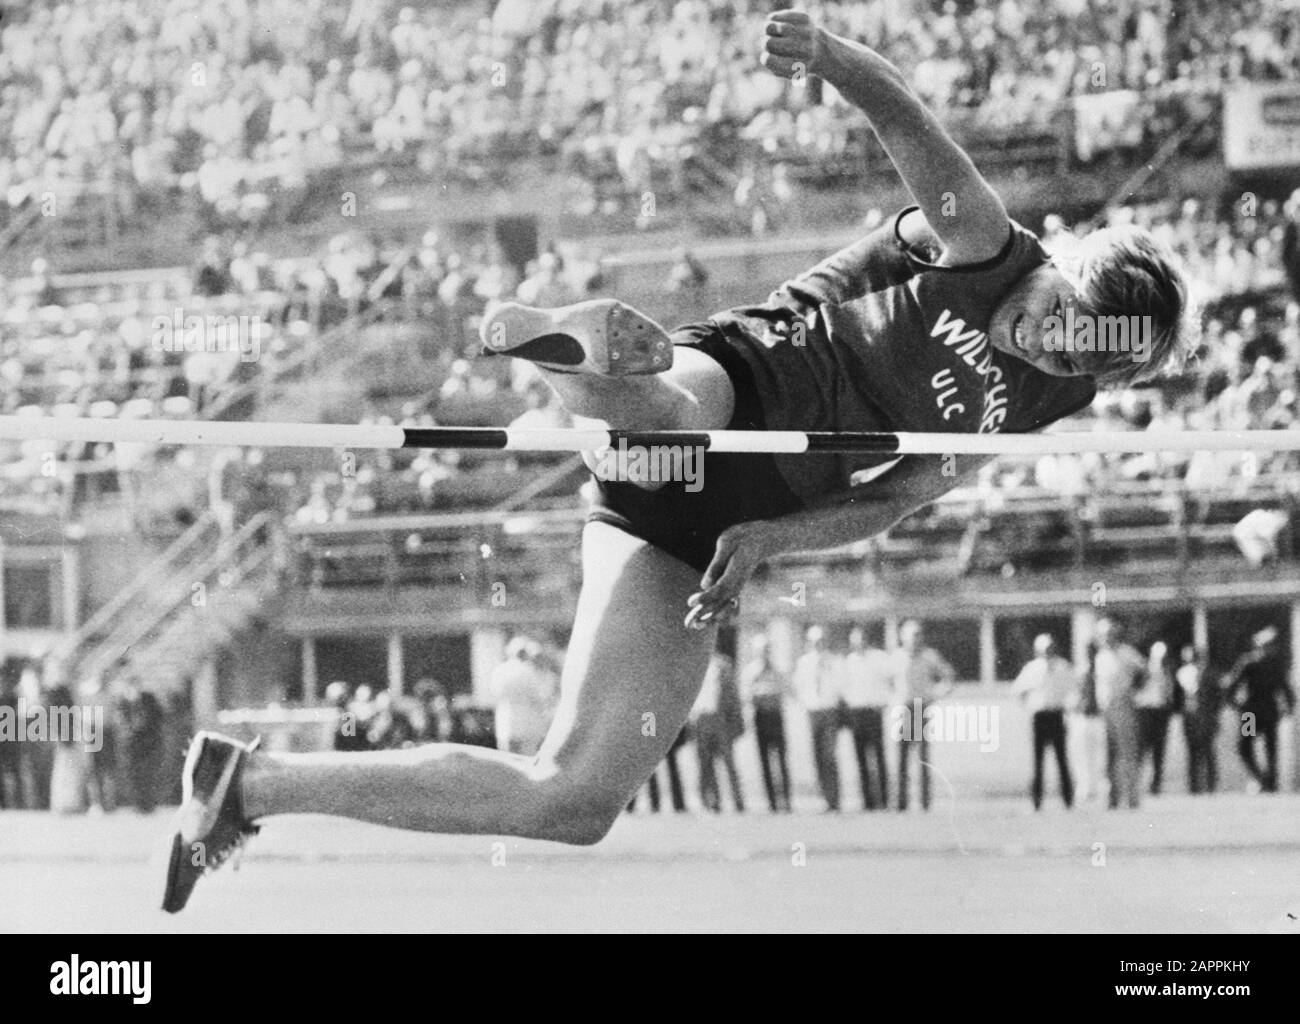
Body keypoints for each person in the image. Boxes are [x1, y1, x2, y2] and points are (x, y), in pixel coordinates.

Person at [163, 8, 1195, 912]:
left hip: (691, 532)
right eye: (1059, 321)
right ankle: (570, 349)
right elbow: (904, 121)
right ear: (1064, 270)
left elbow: (912, 490)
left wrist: (770, 540)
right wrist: (823, 52)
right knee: (669, 416)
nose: (1047, 345)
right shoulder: (983, 244)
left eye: (1080, 359)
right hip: (749, 377)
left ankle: (248, 785)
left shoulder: (1053, 393)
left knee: (573, 796)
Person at [891, 620, 955, 812]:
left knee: (923, 758)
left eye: (918, 635)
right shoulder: (896, 657)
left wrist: (936, 694)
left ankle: (925, 802)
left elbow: (948, 676)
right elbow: (886, 680)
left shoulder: (929, 656)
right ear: (903, 637)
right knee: (902, 759)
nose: (915, 640)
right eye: (912, 636)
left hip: (921, 708)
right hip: (903, 709)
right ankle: (901, 803)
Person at [1225, 627, 1296, 793]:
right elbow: (1286, 690)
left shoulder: (1249, 662)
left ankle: (1263, 779)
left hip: (1252, 712)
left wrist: (1238, 706)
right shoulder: (1265, 664)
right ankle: (1268, 781)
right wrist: (1288, 708)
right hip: (1267, 712)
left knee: (1248, 747)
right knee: (1266, 749)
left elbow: (1231, 690)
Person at [1012, 634, 1076, 810]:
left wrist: (1067, 705)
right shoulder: (1032, 668)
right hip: (1039, 716)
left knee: (1062, 760)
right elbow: (1018, 689)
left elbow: (1073, 688)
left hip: (1056, 715)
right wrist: (1029, 705)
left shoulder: (1063, 666)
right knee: (1038, 762)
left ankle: (1068, 800)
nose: (1048, 652)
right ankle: (1037, 801)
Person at [1091, 618, 1145, 810]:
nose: (1107, 638)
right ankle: (1111, 798)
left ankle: (1132, 798)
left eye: (1110, 634)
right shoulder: (1100, 656)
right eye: (1104, 635)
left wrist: (1132, 691)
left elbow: (1143, 671)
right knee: (1107, 756)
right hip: (1104, 709)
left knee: (1128, 754)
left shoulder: (1127, 653)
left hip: (1123, 706)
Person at [689, 635, 745, 813]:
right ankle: (712, 802)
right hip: (700, 718)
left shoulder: (723, 665)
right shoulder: (694, 664)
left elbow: (733, 695)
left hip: (719, 718)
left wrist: (736, 720)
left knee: (728, 762)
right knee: (705, 763)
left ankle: (738, 801)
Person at [840, 626, 892, 810]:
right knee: (860, 758)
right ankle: (867, 801)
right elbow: (845, 687)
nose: (858, 643)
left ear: (866, 639)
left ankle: (884, 800)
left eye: (861, 639)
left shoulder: (879, 657)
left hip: (874, 711)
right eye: (855, 640)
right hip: (856, 713)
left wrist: (885, 702)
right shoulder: (849, 661)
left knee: (879, 757)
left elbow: (889, 680)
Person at [793, 625, 843, 812]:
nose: (818, 645)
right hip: (813, 712)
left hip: (829, 711)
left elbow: (840, 685)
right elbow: (799, 686)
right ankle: (825, 798)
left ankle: (834, 798)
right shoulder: (804, 662)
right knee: (817, 756)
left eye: (821, 641)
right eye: (815, 642)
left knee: (829, 755)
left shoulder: (834, 661)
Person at [741, 633, 792, 812]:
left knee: (781, 760)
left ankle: (786, 799)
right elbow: (747, 696)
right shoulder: (750, 671)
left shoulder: (778, 669)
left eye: (766, 649)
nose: (764, 653)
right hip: (760, 716)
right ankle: (771, 802)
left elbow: (785, 690)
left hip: (775, 716)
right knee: (764, 760)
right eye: (761, 650)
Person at [488, 637, 555, 757]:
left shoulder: (499, 671)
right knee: (526, 761)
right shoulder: (528, 671)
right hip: (527, 723)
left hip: (506, 721)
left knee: (507, 759)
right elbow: (537, 697)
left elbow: (494, 694)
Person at [1175, 645, 1219, 795]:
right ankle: (1194, 785)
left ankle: (1210, 784)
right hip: (1190, 716)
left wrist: (1215, 716)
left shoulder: (1208, 674)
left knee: (1207, 750)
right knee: (1192, 750)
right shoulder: (1181, 673)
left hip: (1207, 717)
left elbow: (1217, 697)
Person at [1135, 640, 1176, 795]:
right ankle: (1138, 783)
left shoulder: (1167, 671)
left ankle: (1156, 784)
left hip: (1161, 712)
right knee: (1143, 749)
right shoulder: (1145, 669)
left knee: (1159, 750)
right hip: (1147, 711)